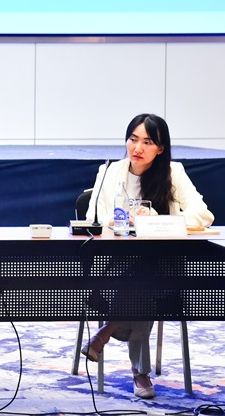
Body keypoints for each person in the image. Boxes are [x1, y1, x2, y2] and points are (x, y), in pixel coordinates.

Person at [81, 113, 214, 399]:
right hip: (116, 264)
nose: (137, 148)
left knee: (143, 279)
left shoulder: (173, 173)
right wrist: (122, 219)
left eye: (147, 142)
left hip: (164, 266)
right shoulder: (109, 171)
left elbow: (204, 215)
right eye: (133, 139)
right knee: (140, 284)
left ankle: (109, 329)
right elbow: (95, 218)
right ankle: (140, 373)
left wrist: (157, 220)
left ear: (161, 148)